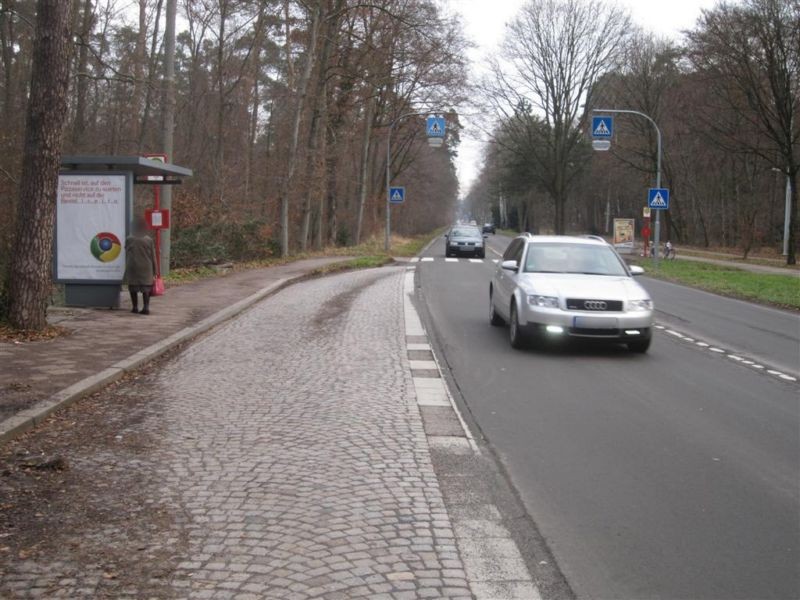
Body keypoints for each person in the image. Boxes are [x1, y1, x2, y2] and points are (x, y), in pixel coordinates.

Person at [123, 217, 157, 315]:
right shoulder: (149, 240)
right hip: (146, 267)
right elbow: (153, 256)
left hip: (133, 266)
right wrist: (155, 271)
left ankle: (135, 307)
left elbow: (126, 250)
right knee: (146, 288)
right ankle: (146, 308)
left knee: (133, 288)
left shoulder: (129, 239)